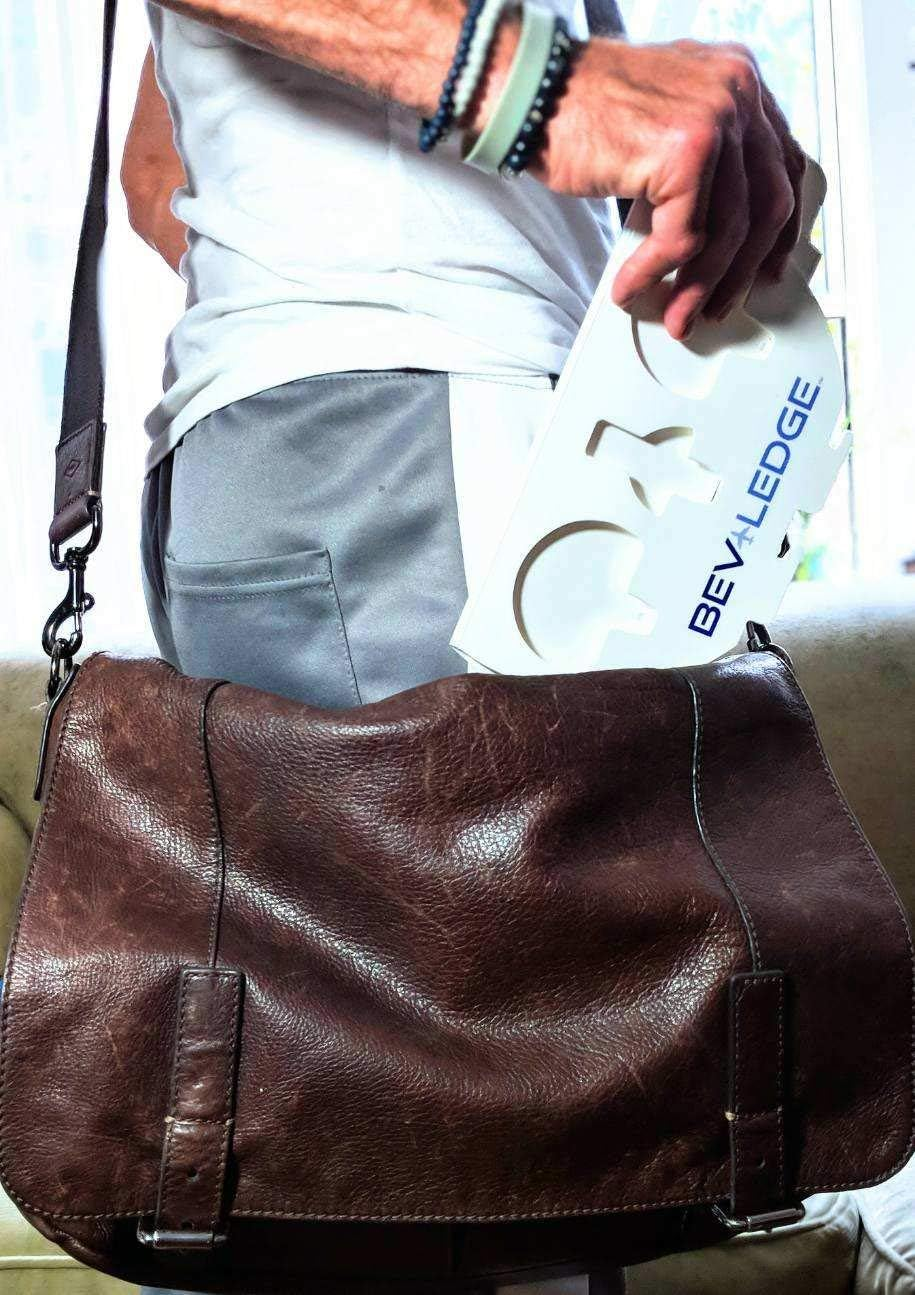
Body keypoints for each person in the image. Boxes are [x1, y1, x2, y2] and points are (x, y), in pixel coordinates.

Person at [123, 3, 806, 1292]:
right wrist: (541, 89)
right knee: (492, 1173)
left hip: (311, 430)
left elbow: (164, 169)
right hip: (413, 426)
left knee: (416, 1162)